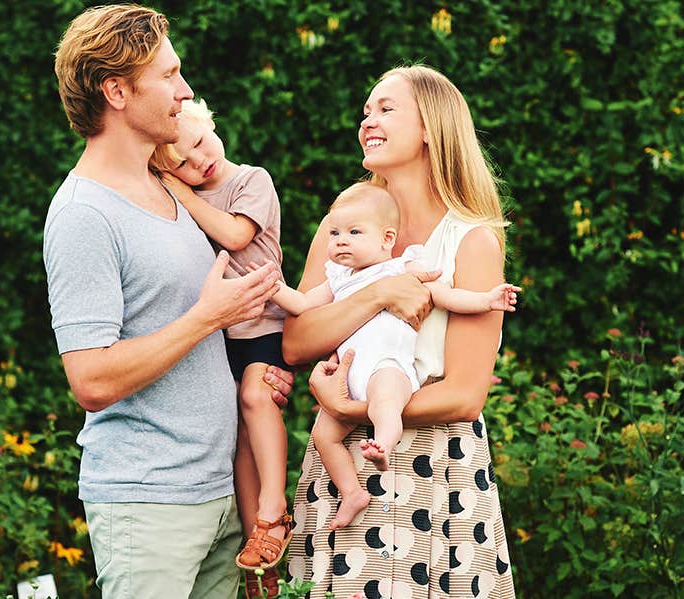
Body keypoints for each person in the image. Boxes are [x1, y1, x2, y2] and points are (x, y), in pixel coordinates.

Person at [43, 6, 293, 598]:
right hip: (148, 505)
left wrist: (265, 364)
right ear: (118, 91)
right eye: (170, 76)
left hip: (221, 498)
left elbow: (231, 324)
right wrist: (209, 316)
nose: (185, 93)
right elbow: (92, 380)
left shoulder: (173, 190)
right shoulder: (84, 214)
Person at [283, 65, 518, 598]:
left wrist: (349, 410)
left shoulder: (472, 241)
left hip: (434, 470)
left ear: (432, 127)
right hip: (343, 464)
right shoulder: (345, 220)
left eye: (386, 109)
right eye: (366, 110)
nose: (368, 120)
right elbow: (297, 342)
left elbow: (464, 395)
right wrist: (381, 294)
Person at [263, 182, 519, 532]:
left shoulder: (401, 268)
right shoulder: (337, 277)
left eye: (353, 232)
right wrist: (272, 287)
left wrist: (486, 300)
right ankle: (352, 492)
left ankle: (383, 442)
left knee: (385, 403)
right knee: (325, 436)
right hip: (352, 382)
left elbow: (446, 295)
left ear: (386, 239)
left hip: (387, 369)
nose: (340, 240)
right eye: (335, 232)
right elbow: (303, 308)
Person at [149, 98, 294, 592]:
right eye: (183, 165)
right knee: (239, 441)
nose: (199, 162)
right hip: (220, 335)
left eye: (199, 144)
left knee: (258, 397)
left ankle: (274, 510)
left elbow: (235, 234)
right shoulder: (182, 198)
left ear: (211, 123)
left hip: (264, 325)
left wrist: (181, 192)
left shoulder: (250, 180)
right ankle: (258, 550)